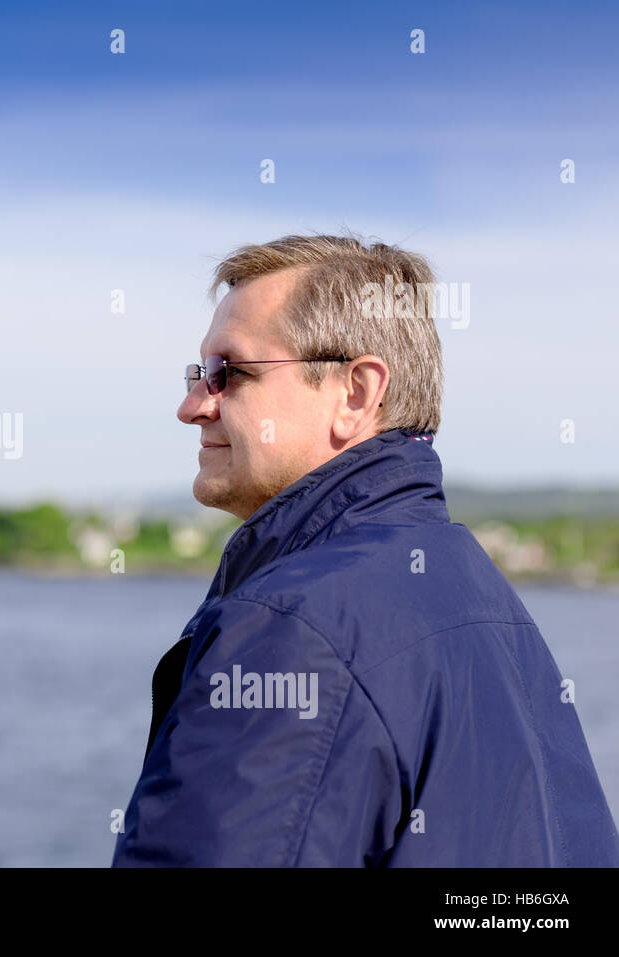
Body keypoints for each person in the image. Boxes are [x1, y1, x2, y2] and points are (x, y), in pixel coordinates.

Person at [111, 234, 619, 866]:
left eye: (228, 373)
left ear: (355, 393)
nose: (192, 406)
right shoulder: (485, 601)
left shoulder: (292, 628)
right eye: (196, 374)